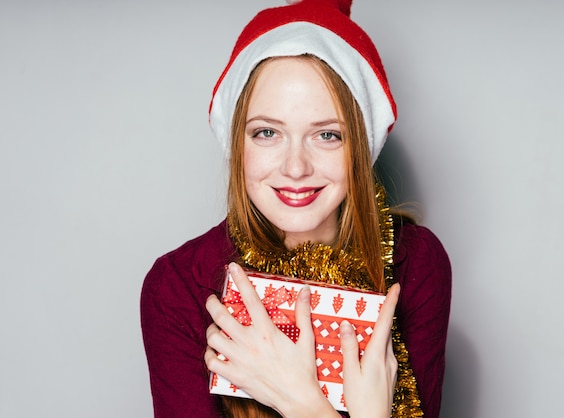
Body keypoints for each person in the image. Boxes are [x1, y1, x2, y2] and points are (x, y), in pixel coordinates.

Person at [140, 0, 452, 417]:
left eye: (326, 135)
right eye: (267, 132)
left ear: (360, 147)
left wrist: (301, 402)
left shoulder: (415, 262)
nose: (295, 167)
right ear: (237, 143)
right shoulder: (178, 287)